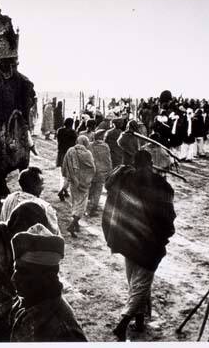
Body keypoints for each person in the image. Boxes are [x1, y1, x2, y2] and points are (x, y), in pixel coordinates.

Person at [102, 150, 175, 341]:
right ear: (150, 163)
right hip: (149, 243)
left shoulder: (125, 178)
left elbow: (108, 182)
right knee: (140, 285)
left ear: (134, 163)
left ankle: (140, 321)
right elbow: (167, 214)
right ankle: (123, 323)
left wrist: (123, 169)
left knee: (135, 282)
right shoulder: (161, 184)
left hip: (127, 239)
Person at [0, 202, 60, 342]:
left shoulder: (24, 240)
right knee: (0, 337)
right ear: (18, 223)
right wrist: (7, 297)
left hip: (18, 301)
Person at [9, 224, 88, 342]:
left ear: (48, 277)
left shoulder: (64, 334)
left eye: (23, 272)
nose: (14, 278)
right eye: (15, 270)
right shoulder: (26, 302)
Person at [0, 167, 61, 235]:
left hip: (7, 242)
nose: (43, 188)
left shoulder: (9, 199)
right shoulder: (44, 207)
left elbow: (2, 221)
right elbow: (54, 234)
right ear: (35, 186)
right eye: (41, 184)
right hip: (29, 244)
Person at [61, 135, 96, 237]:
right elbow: (92, 168)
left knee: (75, 202)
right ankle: (72, 225)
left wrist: (68, 176)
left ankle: (76, 224)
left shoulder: (70, 150)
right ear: (86, 143)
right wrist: (87, 178)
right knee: (82, 205)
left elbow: (65, 164)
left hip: (73, 181)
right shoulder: (87, 153)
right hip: (84, 182)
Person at [87, 130, 112, 216]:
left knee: (90, 188)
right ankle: (93, 208)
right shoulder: (105, 146)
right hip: (101, 172)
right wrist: (109, 170)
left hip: (91, 171)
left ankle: (87, 206)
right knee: (98, 190)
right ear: (102, 137)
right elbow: (108, 160)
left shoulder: (89, 145)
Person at [56, 118, 78, 201]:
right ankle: (62, 190)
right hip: (69, 154)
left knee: (63, 174)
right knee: (69, 174)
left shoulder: (60, 131)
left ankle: (64, 190)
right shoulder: (73, 133)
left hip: (61, 154)